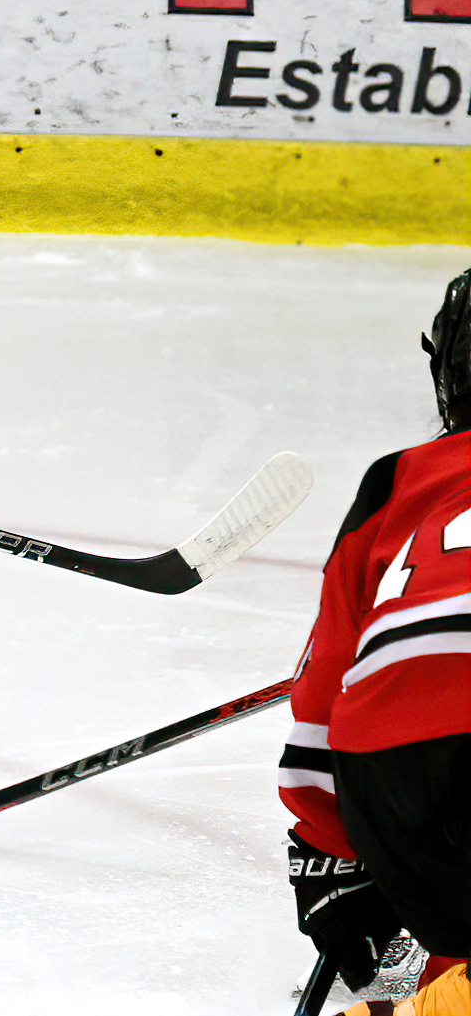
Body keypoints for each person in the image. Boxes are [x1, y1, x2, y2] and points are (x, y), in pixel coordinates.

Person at [282, 270, 471, 1013]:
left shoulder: (396, 479)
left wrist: (332, 855)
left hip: (382, 775)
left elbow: (322, 686)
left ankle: (410, 989)